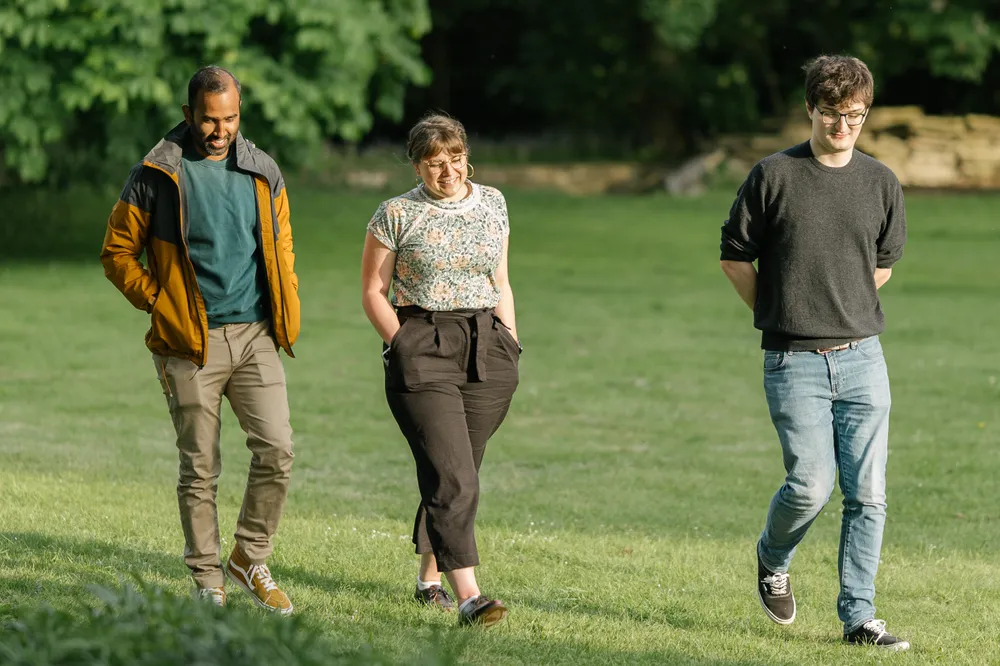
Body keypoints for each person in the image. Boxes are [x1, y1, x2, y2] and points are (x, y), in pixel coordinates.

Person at [719, 55, 909, 651]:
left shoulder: (880, 182)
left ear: (866, 112)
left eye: (854, 115)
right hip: (793, 361)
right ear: (810, 109)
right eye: (831, 114)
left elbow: (881, 264)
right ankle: (772, 556)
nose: (842, 126)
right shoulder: (774, 175)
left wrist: (842, 305)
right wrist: (777, 310)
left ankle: (859, 617)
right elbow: (733, 255)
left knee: (869, 494)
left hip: (863, 359)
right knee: (809, 486)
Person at [100, 66, 300, 614]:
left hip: (255, 333)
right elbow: (117, 253)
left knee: (278, 450)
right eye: (210, 120)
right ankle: (208, 580)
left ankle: (249, 558)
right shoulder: (156, 172)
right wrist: (158, 302)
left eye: (231, 118)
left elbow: (280, 248)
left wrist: (287, 303)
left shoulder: (262, 171)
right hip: (189, 341)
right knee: (201, 467)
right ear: (189, 114)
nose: (220, 130)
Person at [361, 113, 520, 627]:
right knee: (454, 476)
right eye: (434, 164)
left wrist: (511, 342)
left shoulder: (493, 202)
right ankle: (471, 597)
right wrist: (403, 343)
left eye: (454, 160)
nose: (446, 173)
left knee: (457, 472)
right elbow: (372, 291)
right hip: (423, 345)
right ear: (416, 167)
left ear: (466, 156)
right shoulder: (395, 214)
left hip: (487, 348)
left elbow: (502, 278)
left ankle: (430, 580)